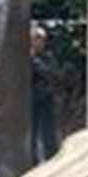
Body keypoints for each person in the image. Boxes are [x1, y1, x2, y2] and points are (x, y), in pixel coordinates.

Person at [31, 25, 59, 165]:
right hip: (29, 100)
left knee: (48, 131)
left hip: (45, 97)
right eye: (37, 39)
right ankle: (33, 160)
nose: (40, 42)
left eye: (42, 39)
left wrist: (35, 62)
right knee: (31, 133)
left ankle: (51, 158)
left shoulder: (48, 57)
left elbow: (52, 73)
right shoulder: (24, 57)